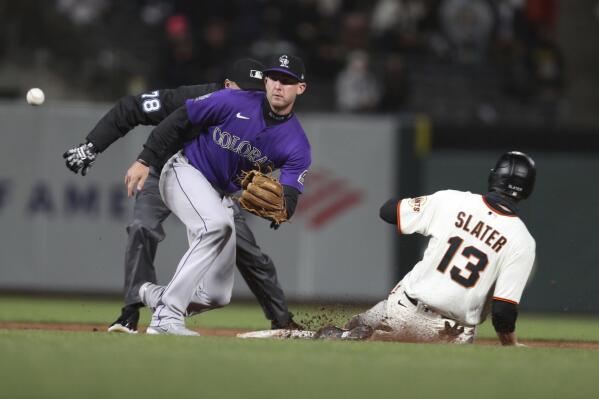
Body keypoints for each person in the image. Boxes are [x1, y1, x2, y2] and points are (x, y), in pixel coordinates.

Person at [62, 58, 302, 334]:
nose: (253, 96)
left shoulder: (259, 111)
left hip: (212, 186)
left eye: (257, 90)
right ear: (227, 85)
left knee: (248, 254)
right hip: (160, 168)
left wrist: (285, 203)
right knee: (143, 228)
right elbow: (131, 108)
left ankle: (281, 320)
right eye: (244, 89)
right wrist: (92, 146)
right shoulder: (195, 97)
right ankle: (130, 313)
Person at [317, 151, 536, 346]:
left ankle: (348, 336)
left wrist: (411, 203)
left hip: (402, 309)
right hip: (450, 332)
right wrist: (511, 345)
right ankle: (365, 338)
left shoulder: (452, 200)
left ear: (494, 176)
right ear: (528, 189)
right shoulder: (522, 241)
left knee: (349, 332)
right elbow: (503, 313)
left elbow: (388, 211)